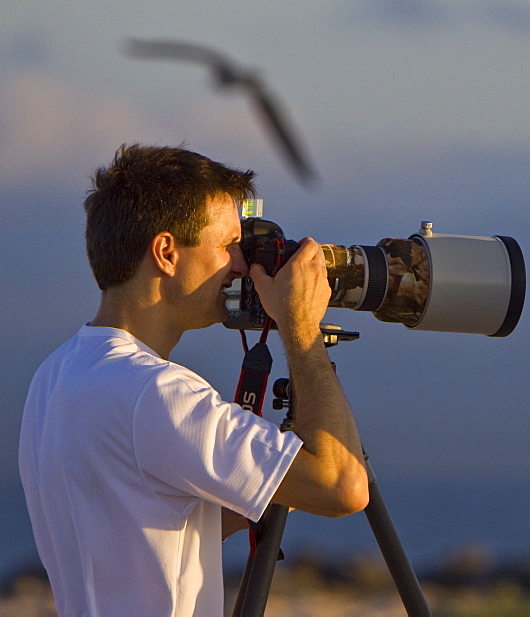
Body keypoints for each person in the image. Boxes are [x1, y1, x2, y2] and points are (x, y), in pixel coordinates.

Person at [19, 144, 369, 615]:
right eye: (227, 245)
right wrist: (300, 328)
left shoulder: (56, 376)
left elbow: (170, 518)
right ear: (166, 252)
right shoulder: (156, 391)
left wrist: (266, 469)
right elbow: (342, 485)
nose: (241, 265)